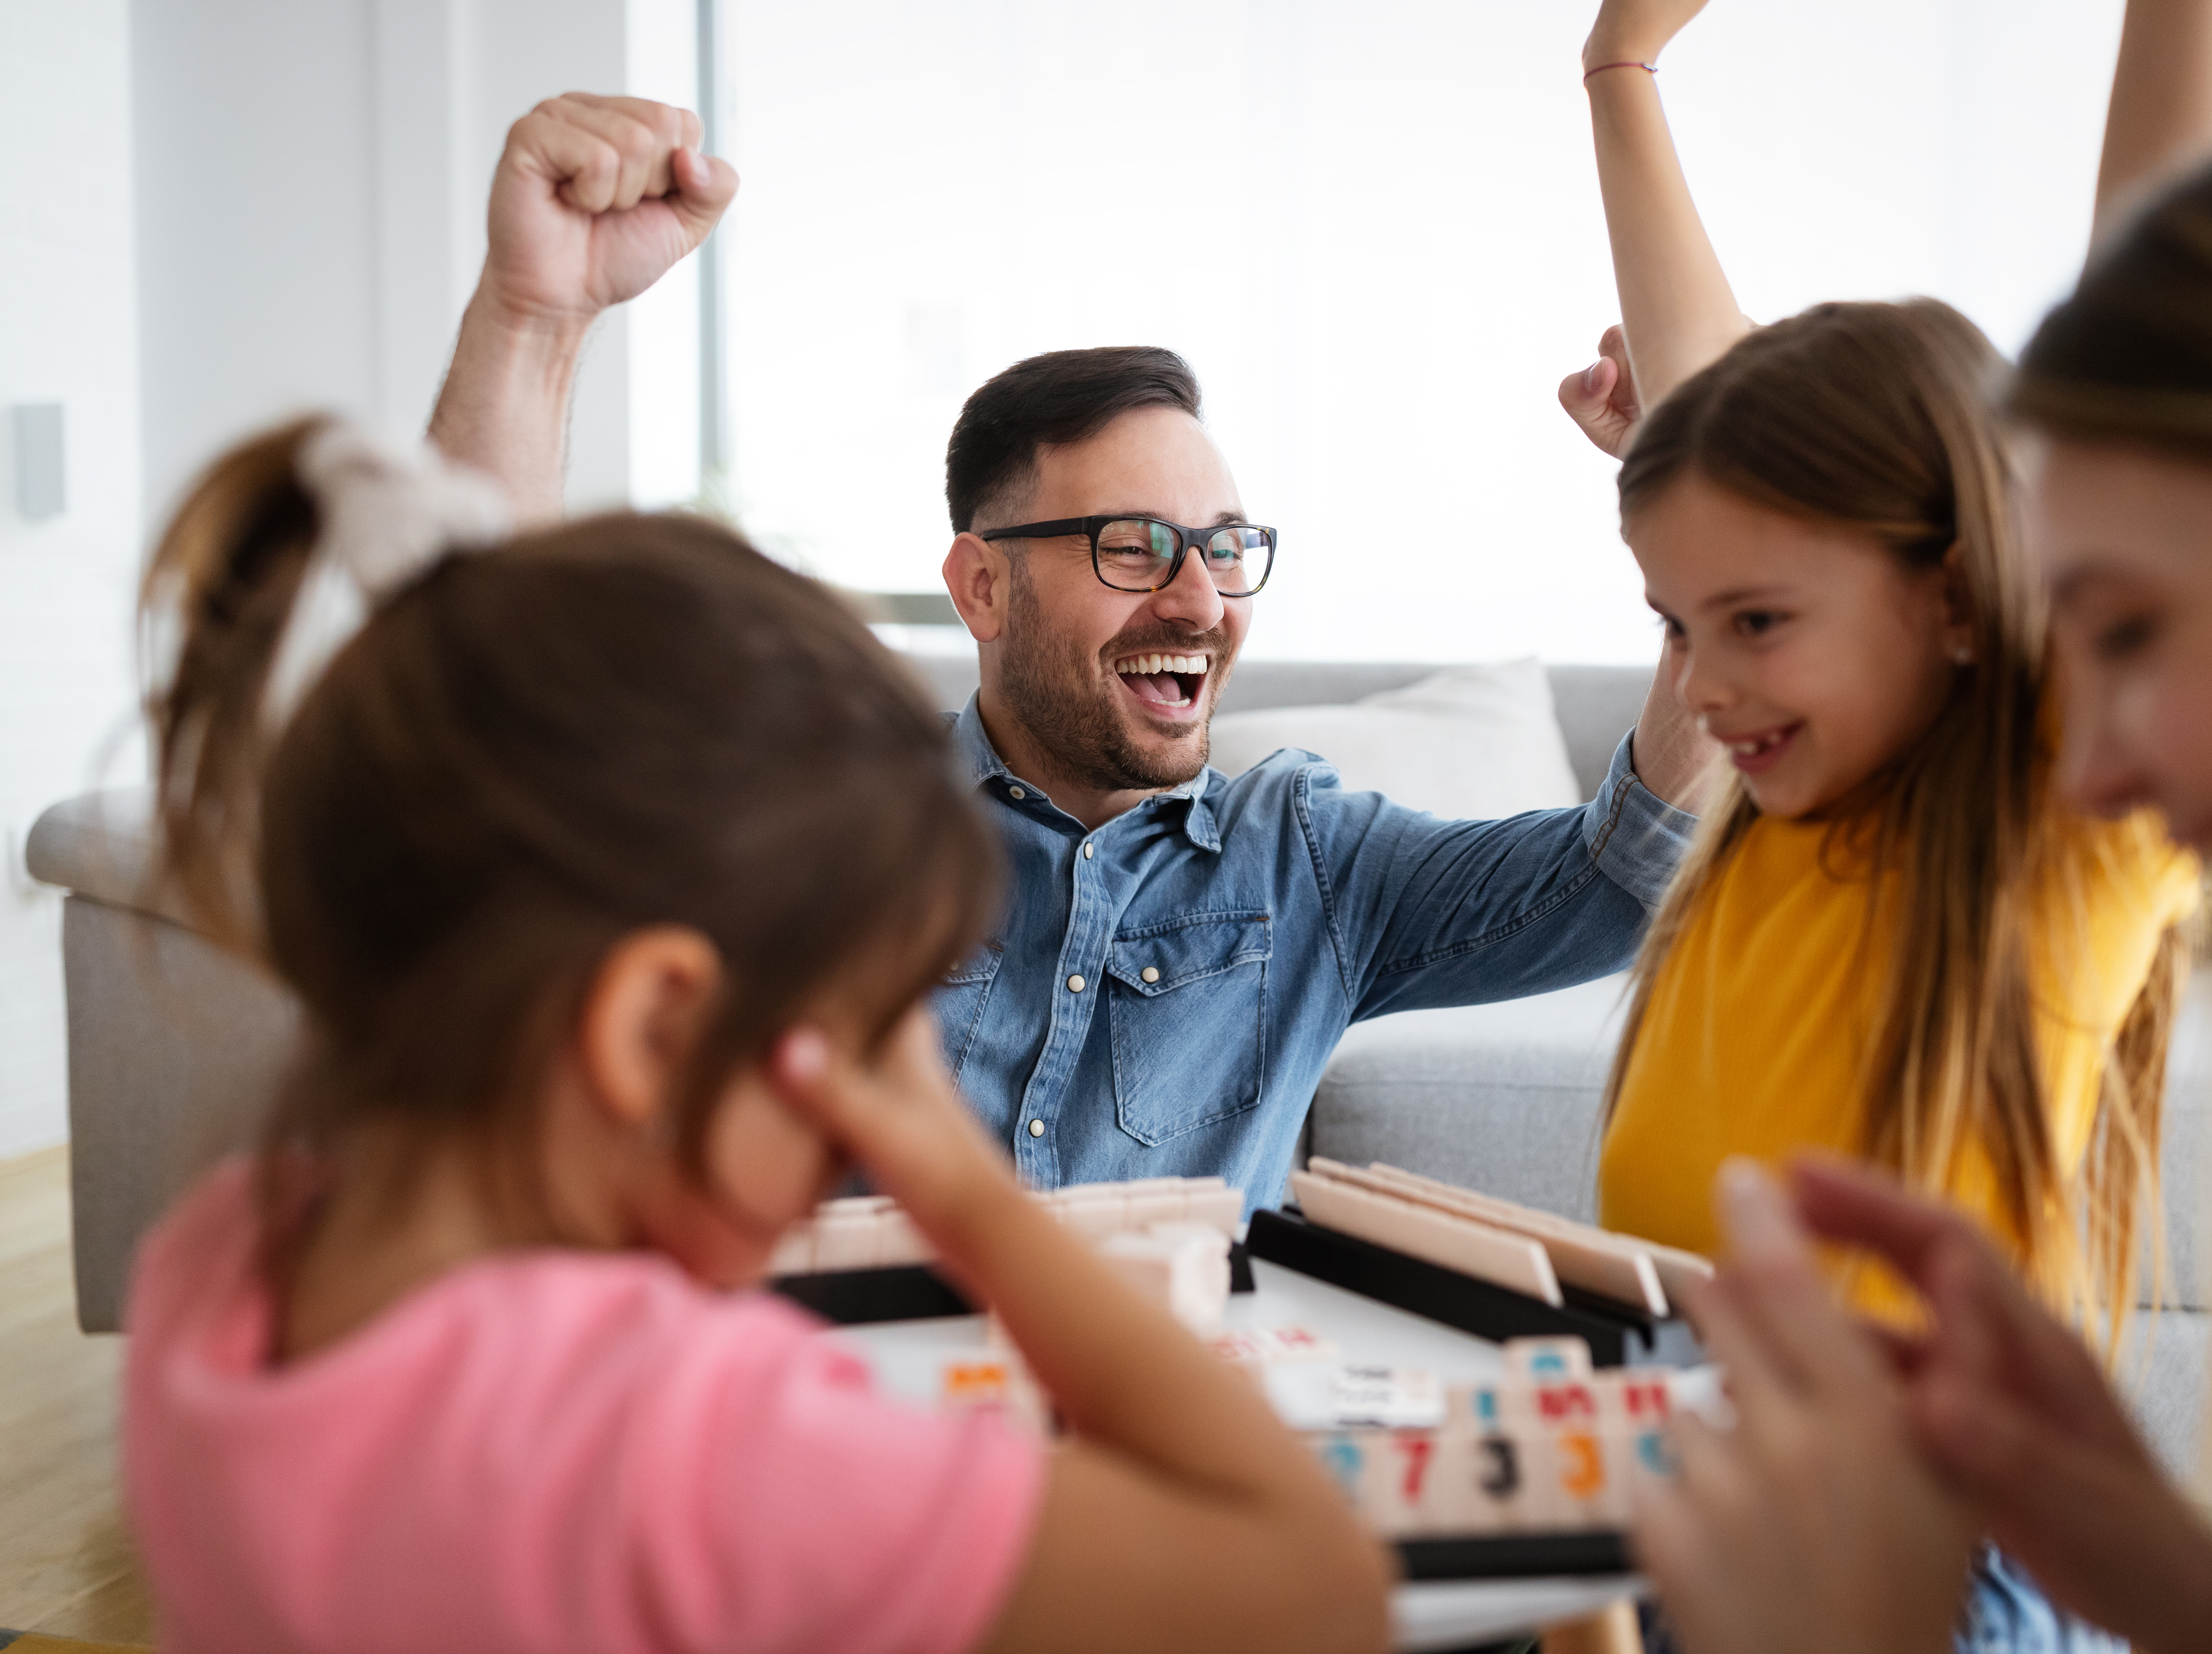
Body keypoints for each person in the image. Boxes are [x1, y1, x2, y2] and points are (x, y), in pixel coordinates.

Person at [120, 417, 1391, 1653]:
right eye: (863, 1050)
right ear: (658, 1031)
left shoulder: (229, 1260)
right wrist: (960, 1182)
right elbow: (1316, 1583)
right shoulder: (687, 1449)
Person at [424, 94, 1708, 1218]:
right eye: (1135, 548)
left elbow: (1626, 875)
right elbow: (509, 753)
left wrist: (1701, 519)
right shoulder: (823, 824)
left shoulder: (1308, 858)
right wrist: (533, 316)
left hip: (1166, 1441)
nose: (1202, 601)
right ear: (982, 587)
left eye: (1224, 546)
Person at [1627, 26, 2212, 1654]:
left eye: (2140, 628)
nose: (2096, 768)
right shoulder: (1779, 809)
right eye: (1683, 624)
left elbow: (2167, 298)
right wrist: (2177, 1579)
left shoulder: (2018, 816)